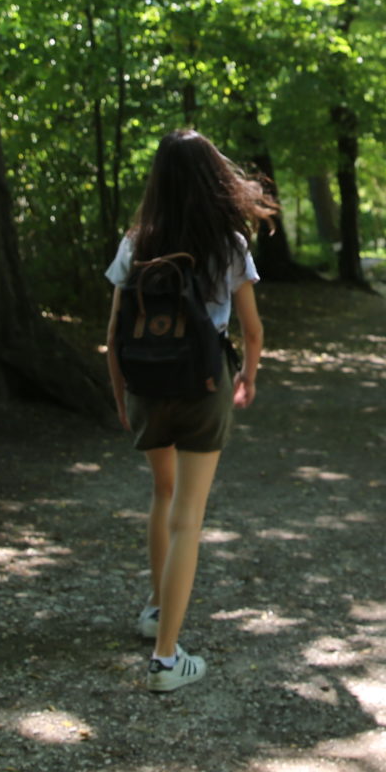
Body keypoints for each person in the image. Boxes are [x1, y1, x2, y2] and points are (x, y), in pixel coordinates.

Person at [104, 129, 273, 692]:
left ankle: (156, 608)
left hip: (147, 388)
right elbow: (251, 330)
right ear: (212, 179)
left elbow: (114, 332)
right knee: (189, 519)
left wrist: (120, 393)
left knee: (162, 494)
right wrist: (246, 376)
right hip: (205, 387)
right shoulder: (228, 243)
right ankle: (166, 659)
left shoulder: (136, 242)